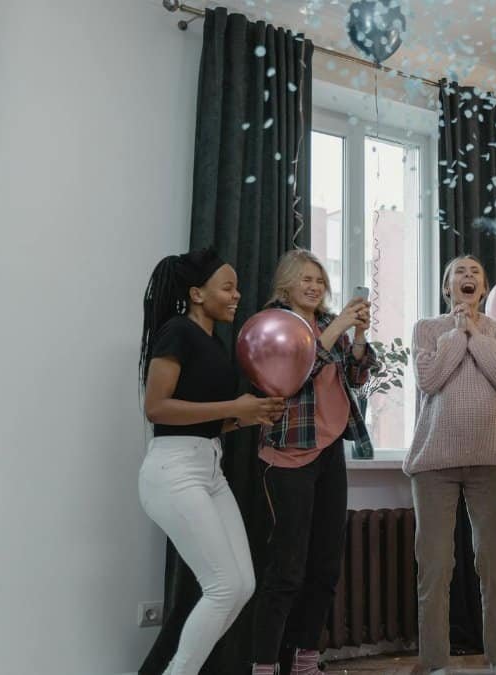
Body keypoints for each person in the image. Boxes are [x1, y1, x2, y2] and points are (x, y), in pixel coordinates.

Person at [138, 248, 285, 675]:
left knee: (242, 585)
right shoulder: (176, 333)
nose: (237, 295)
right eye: (228, 287)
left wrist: (245, 416)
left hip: (207, 467)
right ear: (197, 293)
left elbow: (206, 422)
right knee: (223, 586)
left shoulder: (213, 343)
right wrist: (232, 406)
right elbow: (158, 409)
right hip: (173, 470)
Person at [251, 250, 375, 675]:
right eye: (305, 278)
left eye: (319, 280)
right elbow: (293, 371)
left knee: (325, 564)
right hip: (288, 455)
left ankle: (305, 659)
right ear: (286, 282)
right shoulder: (273, 323)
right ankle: (264, 665)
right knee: (286, 568)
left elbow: (356, 379)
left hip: (328, 452)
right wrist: (339, 325)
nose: (314, 286)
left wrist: (356, 336)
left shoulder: (327, 324)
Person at [405, 255, 496, 675]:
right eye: (460, 273)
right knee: (435, 567)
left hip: (489, 462)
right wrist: (457, 332)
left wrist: (475, 331)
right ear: (446, 287)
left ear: (484, 289)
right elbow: (429, 378)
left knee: (494, 564)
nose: (468, 277)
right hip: (434, 462)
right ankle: (436, 663)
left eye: (476, 273)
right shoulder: (426, 329)